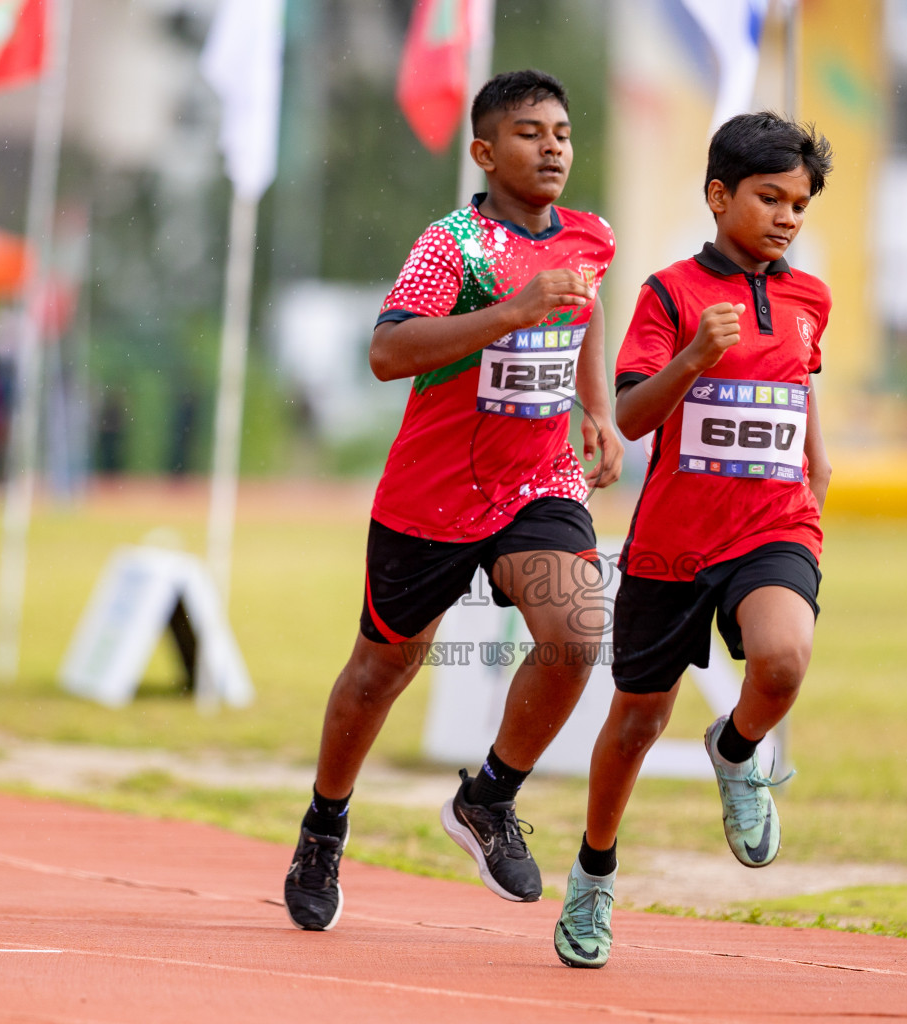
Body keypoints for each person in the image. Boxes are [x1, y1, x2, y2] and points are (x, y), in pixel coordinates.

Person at [283, 69, 623, 932]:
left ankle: (490, 798)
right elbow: (388, 353)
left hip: (537, 483)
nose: (551, 147)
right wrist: (508, 312)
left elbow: (582, 317)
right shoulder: (453, 247)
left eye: (562, 132)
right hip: (433, 496)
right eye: (528, 133)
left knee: (578, 630)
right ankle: (325, 824)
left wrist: (595, 409)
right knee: (380, 673)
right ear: (483, 151)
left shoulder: (589, 237)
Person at [553, 112, 834, 968]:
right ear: (719, 196)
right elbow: (629, 417)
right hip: (675, 543)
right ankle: (595, 868)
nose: (788, 216)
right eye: (770, 198)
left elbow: (800, 398)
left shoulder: (809, 298)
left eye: (801, 203)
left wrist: (818, 487)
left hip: (774, 528)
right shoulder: (670, 293)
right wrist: (690, 363)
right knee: (637, 720)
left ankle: (737, 749)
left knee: (784, 659)